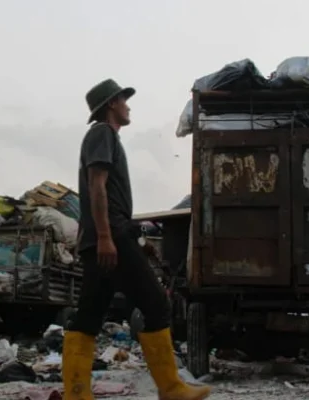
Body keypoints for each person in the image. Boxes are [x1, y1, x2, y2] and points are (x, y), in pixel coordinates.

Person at [62, 79, 211, 400]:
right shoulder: (102, 133)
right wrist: (105, 237)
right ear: (112, 104)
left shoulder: (105, 137)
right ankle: (171, 389)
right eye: (124, 100)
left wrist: (131, 240)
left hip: (109, 235)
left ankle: (76, 394)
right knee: (156, 304)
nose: (128, 106)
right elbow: (96, 186)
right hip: (109, 237)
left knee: (88, 315)